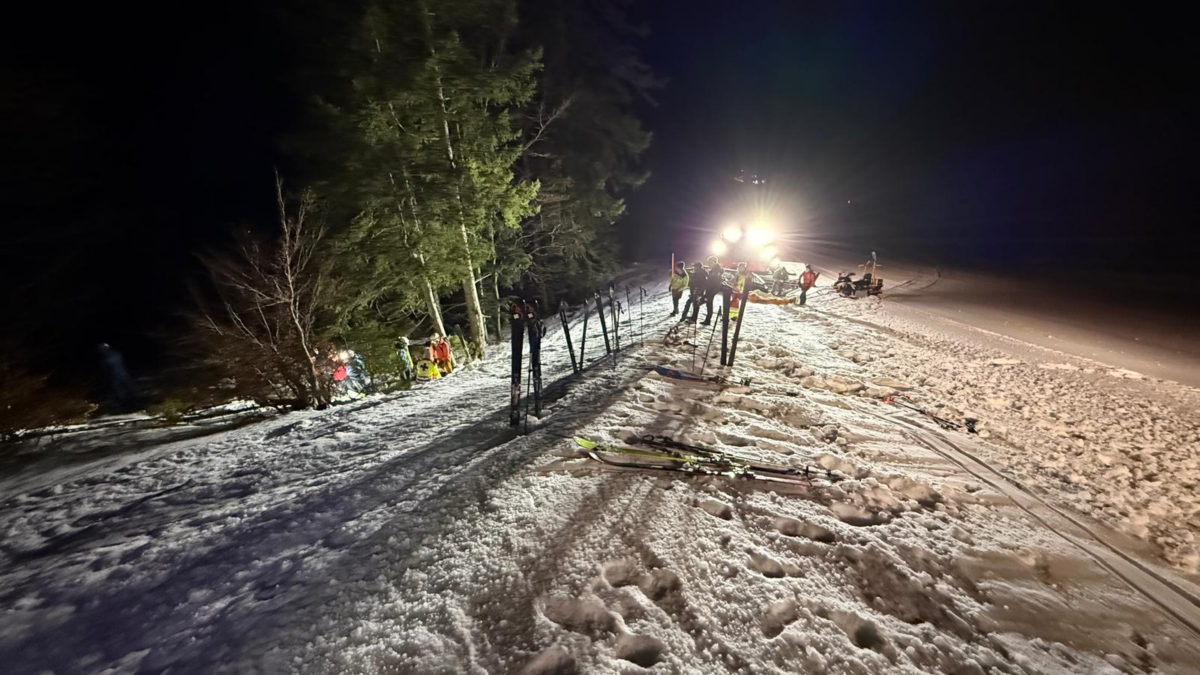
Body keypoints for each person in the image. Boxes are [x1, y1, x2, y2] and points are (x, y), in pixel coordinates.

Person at [698, 255, 726, 326]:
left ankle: (708, 320)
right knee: (708, 304)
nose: (708, 264)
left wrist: (712, 292)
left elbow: (716, 283)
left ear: (714, 262)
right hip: (709, 289)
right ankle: (707, 320)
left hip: (711, 290)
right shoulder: (713, 271)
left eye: (710, 263)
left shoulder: (717, 271)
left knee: (707, 303)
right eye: (708, 263)